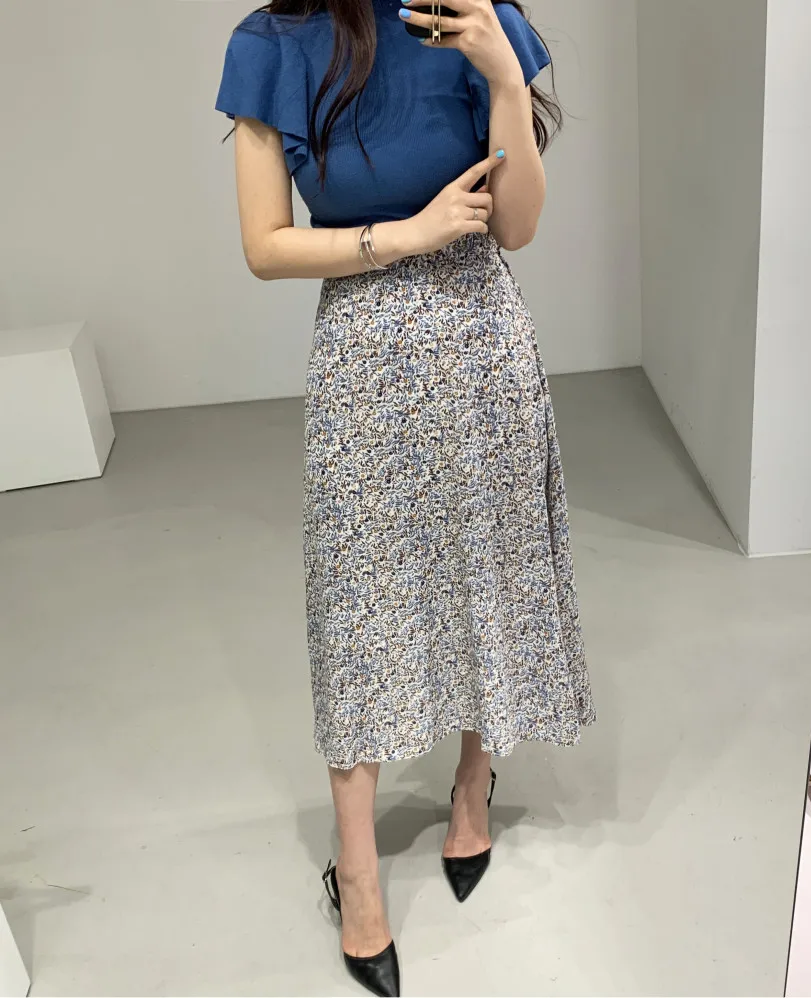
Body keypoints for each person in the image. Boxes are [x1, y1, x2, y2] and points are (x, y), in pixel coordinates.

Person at [216, 1, 595, 993]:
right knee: (360, 611)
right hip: (364, 362)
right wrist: (406, 234)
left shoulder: (475, 16)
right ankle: (356, 872)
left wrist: (503, 75)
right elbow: (264, 243)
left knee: (485, 578)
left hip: (484, 346)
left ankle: (472, 782)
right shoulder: (273, 41)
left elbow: (517, 226)